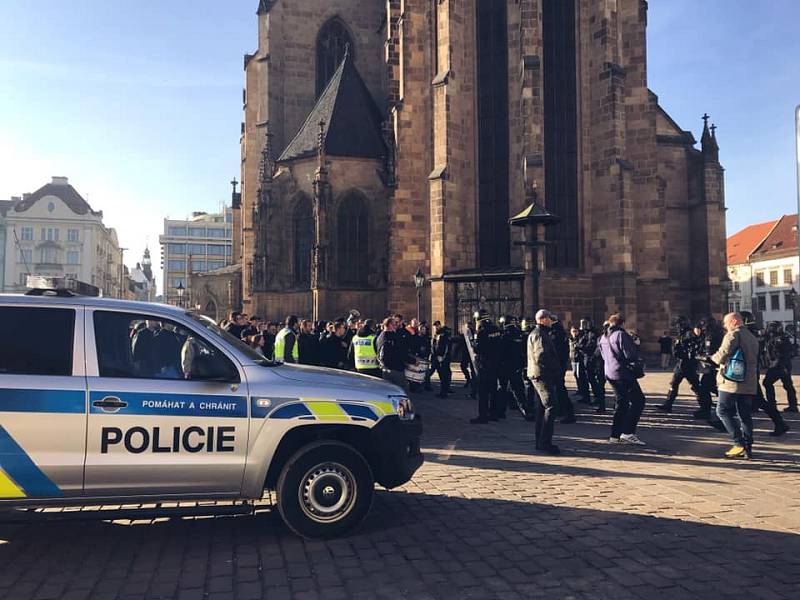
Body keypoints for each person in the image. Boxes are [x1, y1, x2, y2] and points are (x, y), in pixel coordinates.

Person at [710, 312, 759, 459]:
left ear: (734, 321)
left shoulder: (733, 335)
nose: (725, 326)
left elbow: (723, 353)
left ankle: (738, 443)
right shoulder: (751, 337)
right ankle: (748, 447)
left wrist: (712, 358)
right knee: (745, 414)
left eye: (726, 323)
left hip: (732, 381)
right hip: (749, 381)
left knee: (722, 410)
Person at [599, 313, 647, 445]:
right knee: (638, 401)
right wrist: (636, 344)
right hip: (623, 374)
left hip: (610, 373)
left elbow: (603, 356)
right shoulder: (621, 335)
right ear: (622, 323)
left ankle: (615, 435)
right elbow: (630, 355)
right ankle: (628, 432)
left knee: (622, 403)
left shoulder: (603, 336)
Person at [527, 309, 561, 454]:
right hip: (542, 375)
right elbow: (542, 356)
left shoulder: (538, 333)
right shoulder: (540, 334)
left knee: (542, 408)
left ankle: (540, 441)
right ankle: (544, 442)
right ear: (543, 319)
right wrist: (554, 370)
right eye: (549, 319)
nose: (551, 321)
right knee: (551, 406)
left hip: (537, 374)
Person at [657, 316, 702, 413]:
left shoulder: (688, 333)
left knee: (695, 385)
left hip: (687, 363)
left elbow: (693, 341)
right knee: (675, 383)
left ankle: (704, 406)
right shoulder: (683, 333)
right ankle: (668, 404)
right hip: (682, 362)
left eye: (678, 324)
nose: (677, 327)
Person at [470, 309, 503, 424]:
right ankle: (493, 414)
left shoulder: (482, 332)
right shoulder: (496, 329)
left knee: (483, 392)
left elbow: (478, 349)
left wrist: (473, 343)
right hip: (496, 365)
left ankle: (483, 416)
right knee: (493, 390)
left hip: (484, 366)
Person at [499, 316, 534, 420]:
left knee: (502, 389)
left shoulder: (504, 335)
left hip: (505, 366)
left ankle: (501, 412)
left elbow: (500, 351)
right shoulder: (520, 334)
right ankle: (525, 411)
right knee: (518, 390)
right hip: (517, 366)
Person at [763, 321, 799, 413]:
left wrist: (776, 365)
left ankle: (772, 404)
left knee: (767, 383)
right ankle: (793, 405)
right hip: (783, 366)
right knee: (788, 385)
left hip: (779, 366)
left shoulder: (778, 339)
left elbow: (781, 354)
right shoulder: (778, 338)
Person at [376, 317, 409, 391]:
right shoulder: (393, 337)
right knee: (400, 391)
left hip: (384, 369)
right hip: (395, 369)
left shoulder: (380, 336)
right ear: (390, 325)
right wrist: (412, 361)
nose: (396, 325)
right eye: (395, 324)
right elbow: (401, 352)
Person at [430, 322, 453, 398]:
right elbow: (434, 346)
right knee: (442, 375)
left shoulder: (444, 335)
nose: (436, 328)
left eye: (437, 326)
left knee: (444, 375)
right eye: (434, 327)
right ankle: (444, 391)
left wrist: (442, 357)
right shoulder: (436, 335)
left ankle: (444, 392)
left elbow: (446, 347)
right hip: (437, 358)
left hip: (443, 358)